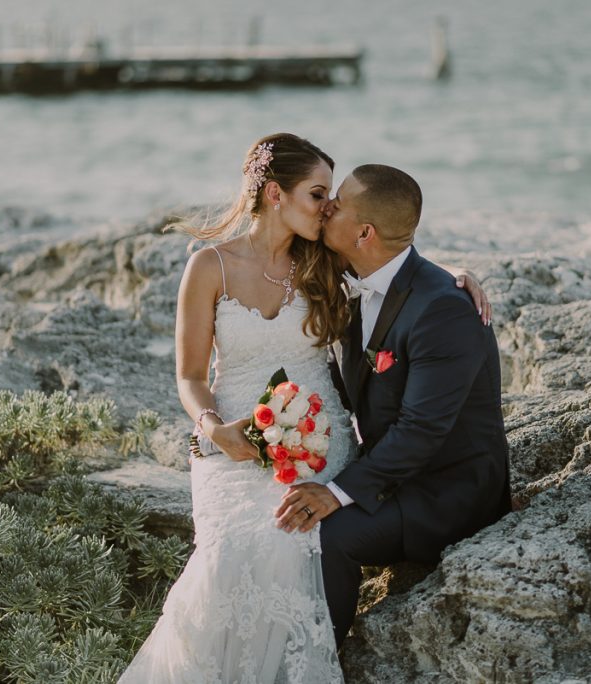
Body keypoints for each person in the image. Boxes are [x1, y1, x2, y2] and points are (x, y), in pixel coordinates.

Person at [118, 134, 490, 683]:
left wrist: (457, 279)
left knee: (294, 539)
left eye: (331, 199)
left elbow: (393, 267)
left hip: (321, 439)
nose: (328, 208)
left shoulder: (320, 263)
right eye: (319, 195)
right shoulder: (207, 268)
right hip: (231, 441)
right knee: (229, 557)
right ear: (275, 194)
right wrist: (212, 428)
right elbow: (191, 376)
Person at [275, 164, 512, 648]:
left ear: (364, 232)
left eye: (336, 204)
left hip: (444, 491)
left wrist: (337, 493)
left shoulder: (443, 309)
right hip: (391, 470)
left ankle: (325, 661)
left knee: (326, 535)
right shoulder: (356, 272)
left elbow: (421, 431)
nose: (326, 208)